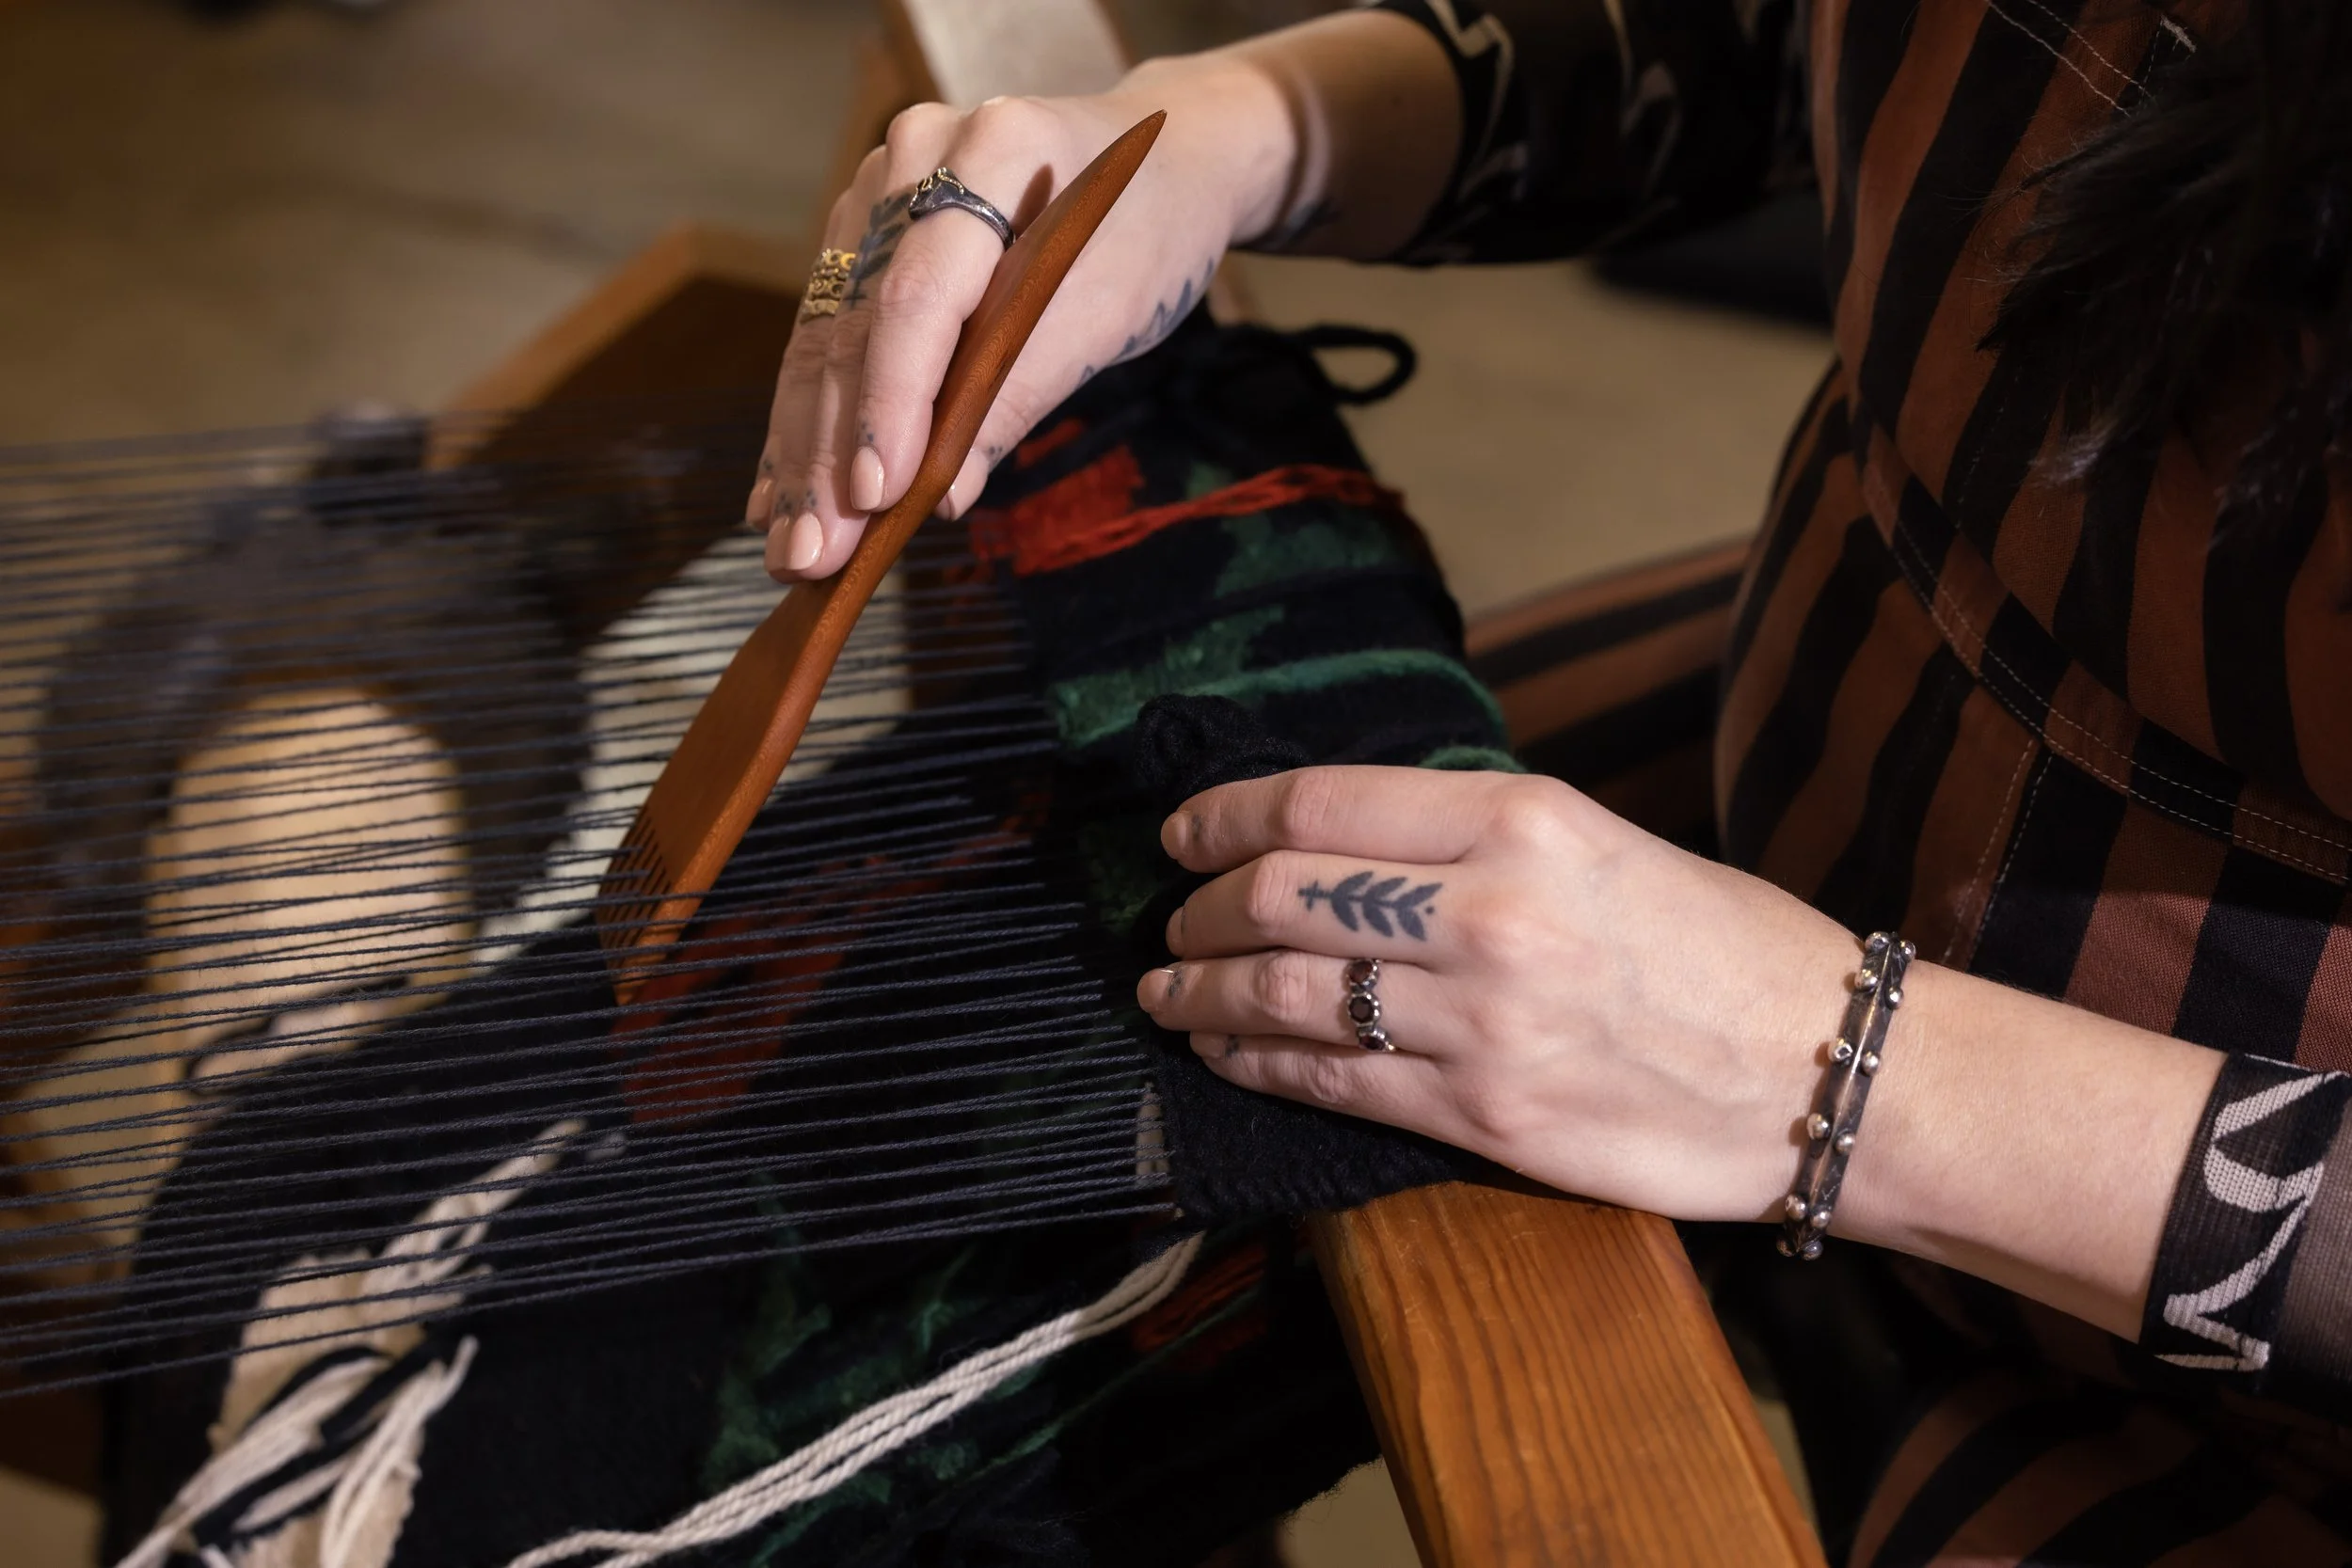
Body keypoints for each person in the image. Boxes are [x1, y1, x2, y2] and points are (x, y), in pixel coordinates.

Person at [751, 2, 2352, 1560]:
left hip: (2244, 1338)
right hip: (1804, 753)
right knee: (895, 1046)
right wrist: (1233, 134)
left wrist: (1848, 1076)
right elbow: (1790, 41)